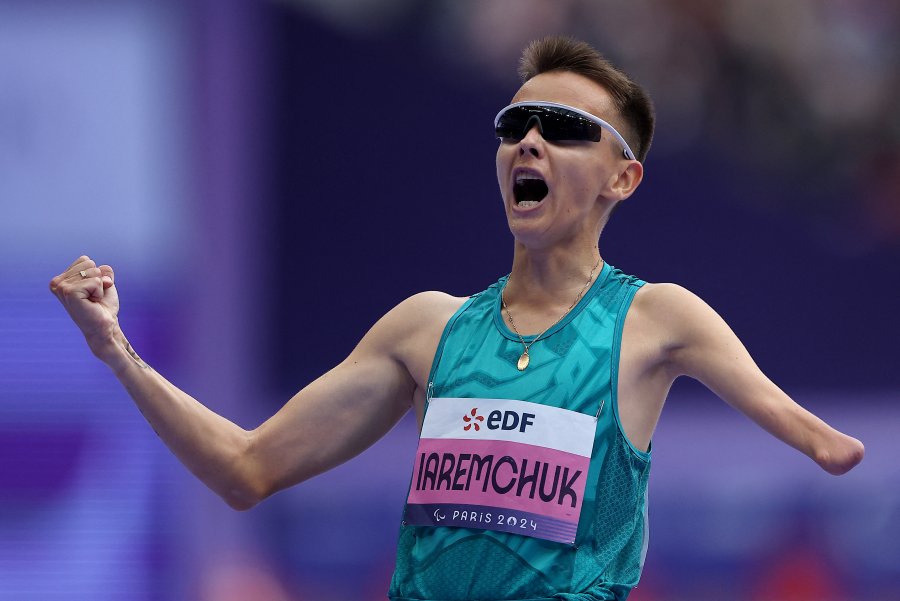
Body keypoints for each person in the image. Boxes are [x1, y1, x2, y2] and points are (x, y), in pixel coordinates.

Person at [49, 36, 864, 601]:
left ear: (625, 178)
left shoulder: (654, 318)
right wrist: (116, 348)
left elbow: (807, 430)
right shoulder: (425, 331)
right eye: (515, 125)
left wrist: (828, 446)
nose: (530, 142)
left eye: (567, 129)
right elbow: (245, 468)